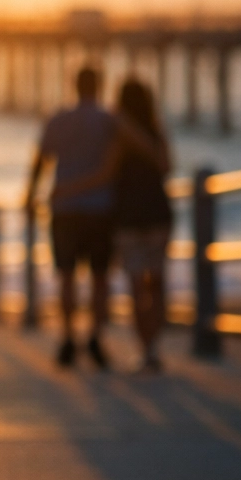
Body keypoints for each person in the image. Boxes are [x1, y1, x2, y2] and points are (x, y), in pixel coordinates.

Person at [53, 79, 173, 372]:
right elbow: (167, 166)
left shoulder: (120, 134)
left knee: (136, 285)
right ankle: (152, 349)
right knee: (156, 283)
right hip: (159, 213)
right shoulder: (157, 132)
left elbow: (105, 174)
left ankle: (145, 349)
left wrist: (68, 188)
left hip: (129, 218)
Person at [25, 66, 117, 369]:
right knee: (100, 277)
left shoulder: (58, 119)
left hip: (64, 208)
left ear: (74, 86)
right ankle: (95, 337)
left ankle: (67, 337)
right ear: (99, 86)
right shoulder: (108, 122)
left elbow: (42, 159)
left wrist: (31, 194)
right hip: (101, 209)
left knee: (66, 276)